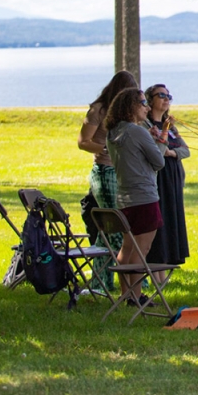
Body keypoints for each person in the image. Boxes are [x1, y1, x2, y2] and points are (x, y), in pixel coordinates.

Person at [104, 87, 168, 305]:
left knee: (127, 247)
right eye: (142, 103)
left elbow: (132, 153)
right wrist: (159, 142)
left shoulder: (114, 133)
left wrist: (147, 140)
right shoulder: (138, 131)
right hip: (145, 197)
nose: (147, 107)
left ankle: (125, 293)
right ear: (131, 106)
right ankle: (136, 296)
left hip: (124, 198)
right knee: (142, 249)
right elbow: (159, 162)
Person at [77, 70, 138, 291]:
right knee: (113, 225)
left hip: (122, 172)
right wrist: (106, 148)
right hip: (104, 170)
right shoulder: (99, 110)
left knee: (114, 227)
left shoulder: (125, 113)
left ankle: (103, 281)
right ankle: (108, 278)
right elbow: (83, 141)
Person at [144, 84, 190, 281]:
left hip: (173, 177)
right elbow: (157, 154)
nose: (165, 99)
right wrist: (168, 152)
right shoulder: (146, 126)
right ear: (150, 99)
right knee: (158, 220)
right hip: (157, 177)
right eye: (161, 95)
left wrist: (172, 152)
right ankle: (156, 271)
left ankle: (167, 267)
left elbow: (185, 150)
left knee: (172, 218)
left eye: (168, 96)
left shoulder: (170, 126)